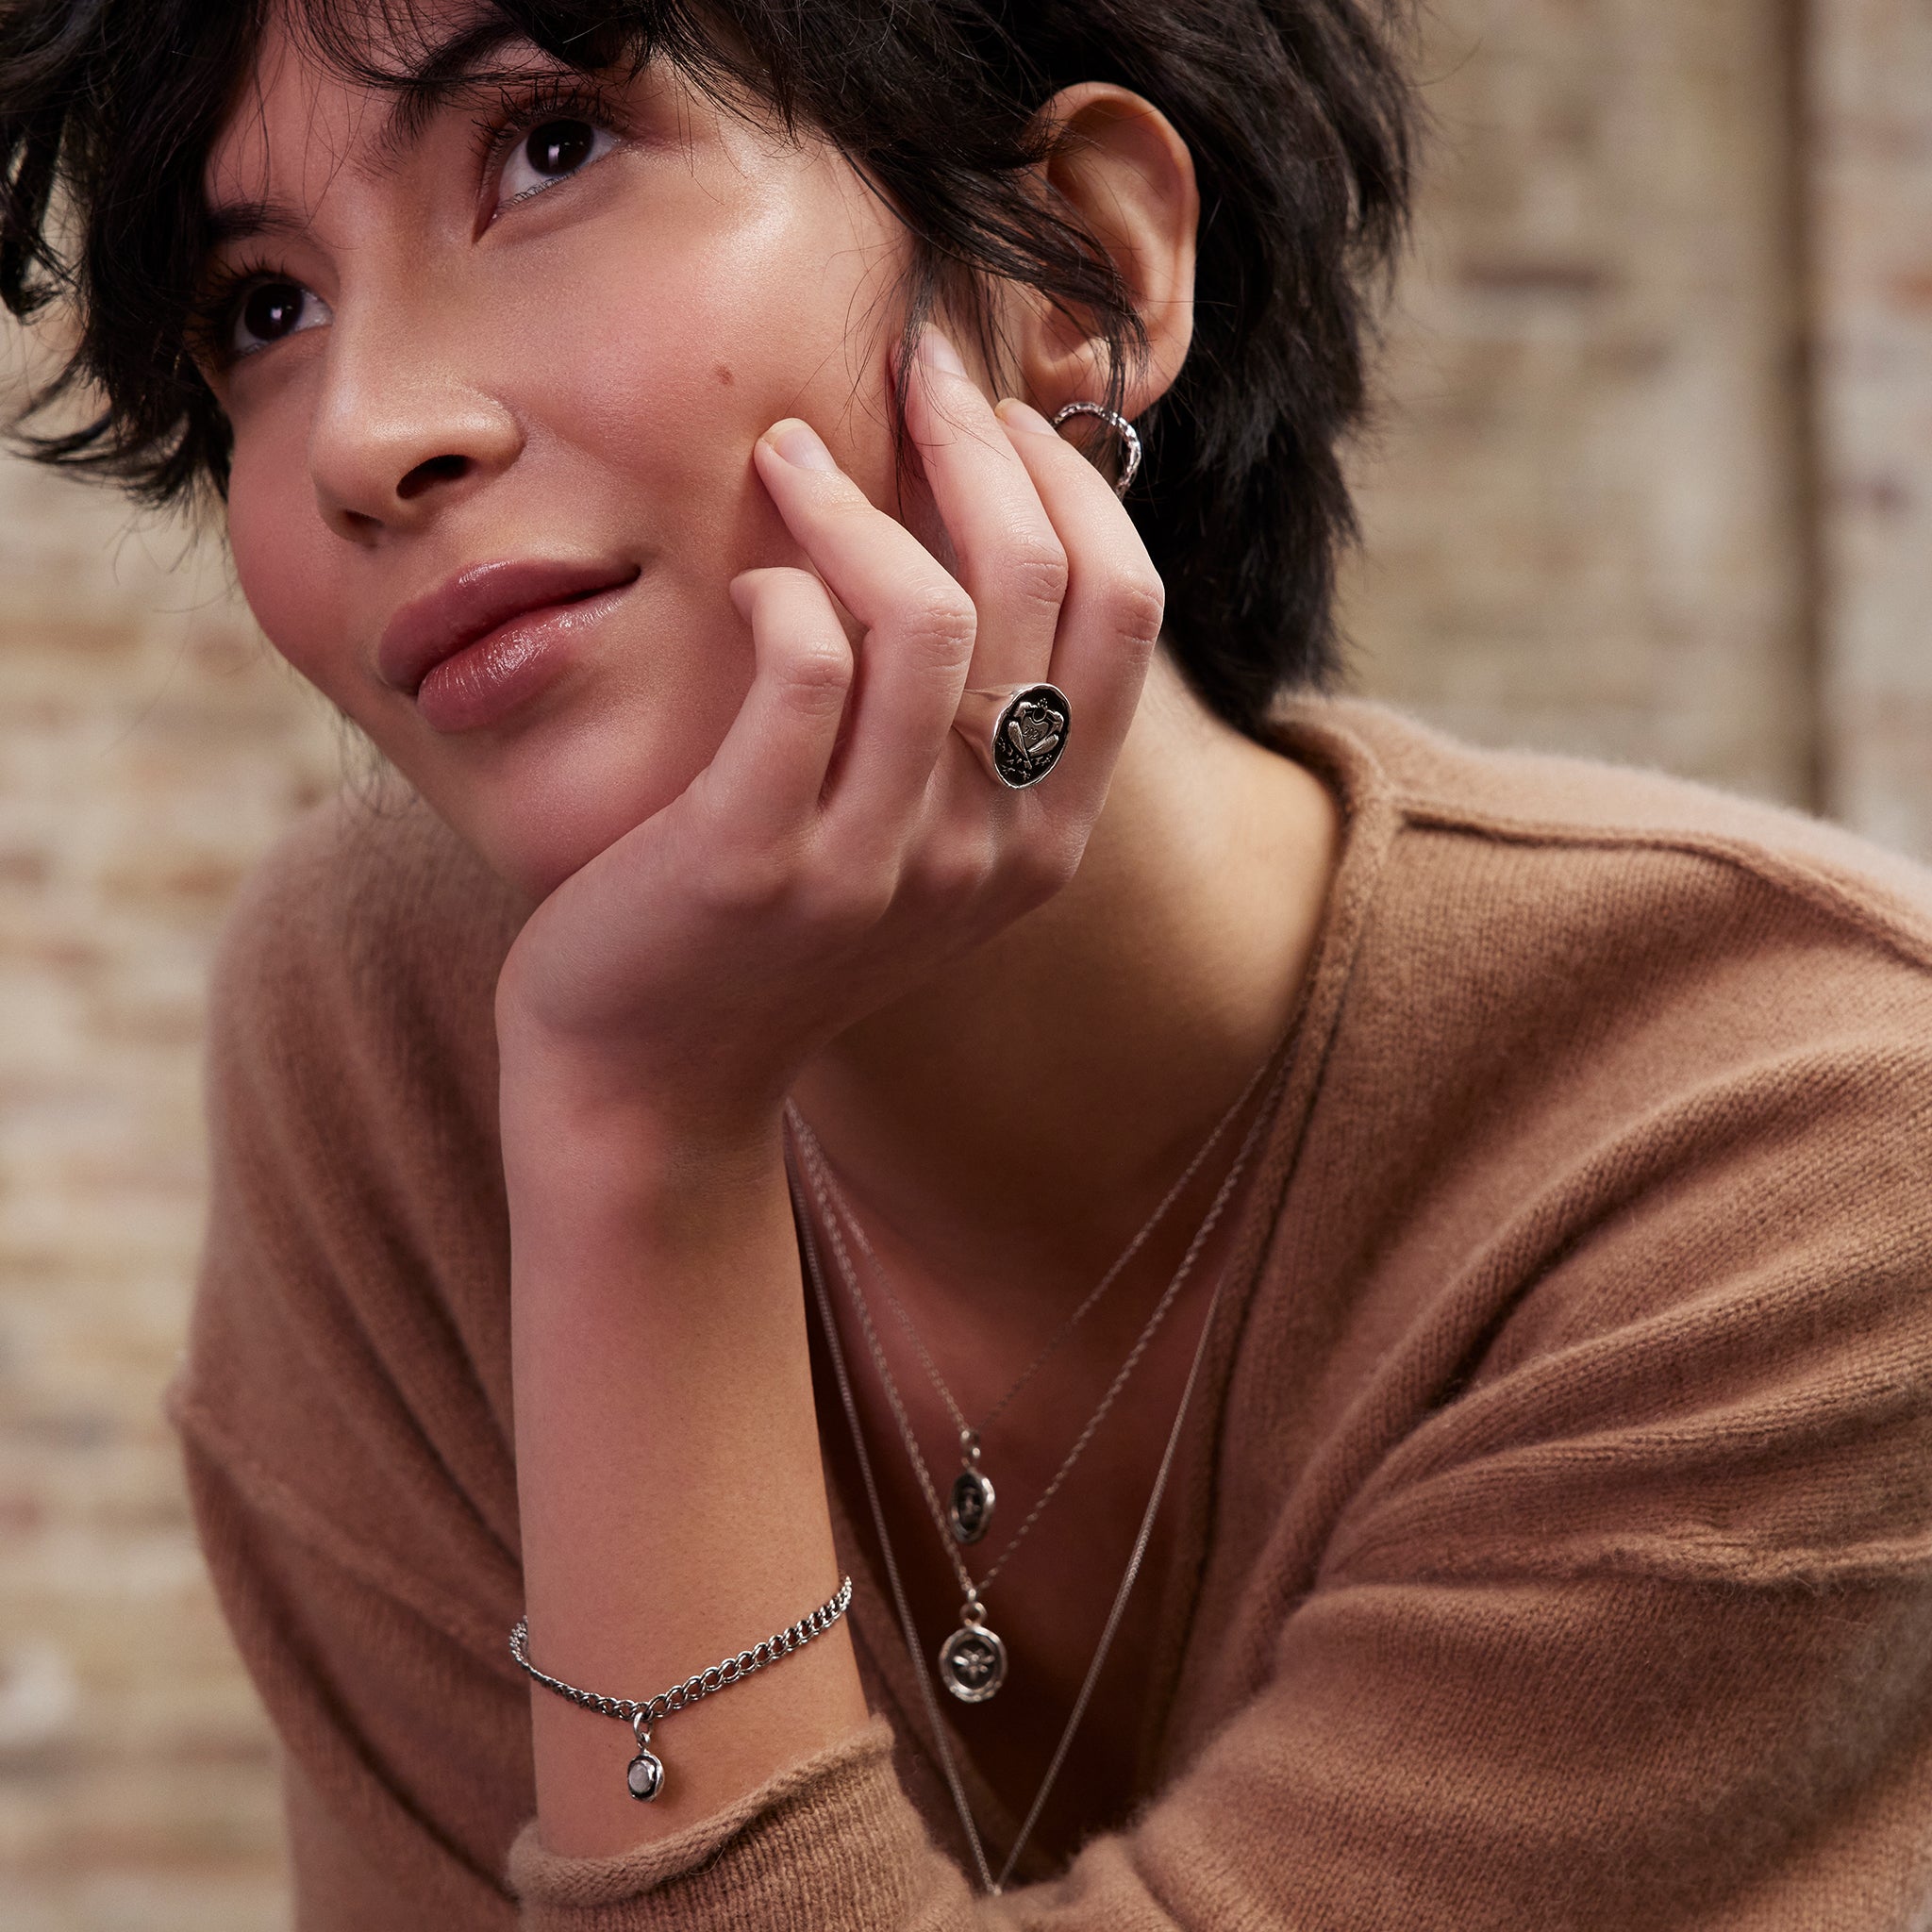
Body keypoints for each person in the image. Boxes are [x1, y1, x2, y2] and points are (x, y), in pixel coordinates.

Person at [6, 0, 1931, 1924]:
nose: (365, 434)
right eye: (265, 309)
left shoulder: (1816, 1154)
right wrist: (618, 1113)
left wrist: (638, 1144)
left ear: (1080, 266)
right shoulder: (387, 1035)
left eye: (551, 146)